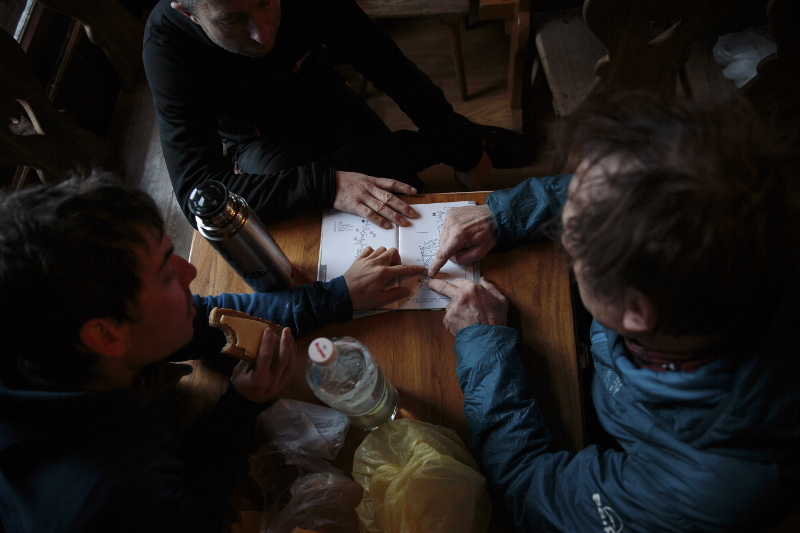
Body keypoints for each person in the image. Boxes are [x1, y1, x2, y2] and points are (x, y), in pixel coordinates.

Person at [427, 93, 800, 531]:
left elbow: (528, 493)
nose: (562, 238)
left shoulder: (705, 485)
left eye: (573, 246)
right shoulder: (743, 201)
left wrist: (485, 346)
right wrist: (503, 215)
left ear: (635, 313)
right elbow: (632, 185)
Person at [0, 172, 424, 533]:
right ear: (107, 337)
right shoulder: (109, 499)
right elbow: (198, 513)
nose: (192, 271)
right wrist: (239, 409)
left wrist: (337, 295)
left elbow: (210, 319)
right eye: (168, 274)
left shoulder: (65, 334)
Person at [143, 0, 525, 232]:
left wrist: (461, 151)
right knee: (304, 203)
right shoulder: (166, 43)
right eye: (232, 20)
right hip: (260, 139)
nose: (261, 34)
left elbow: (385, 62)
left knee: (400, 191)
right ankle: (435, 143)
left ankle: (445, 140)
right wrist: (328, 186)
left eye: (265, 1)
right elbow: (200, 198)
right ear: (189, 15)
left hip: (323, 94)